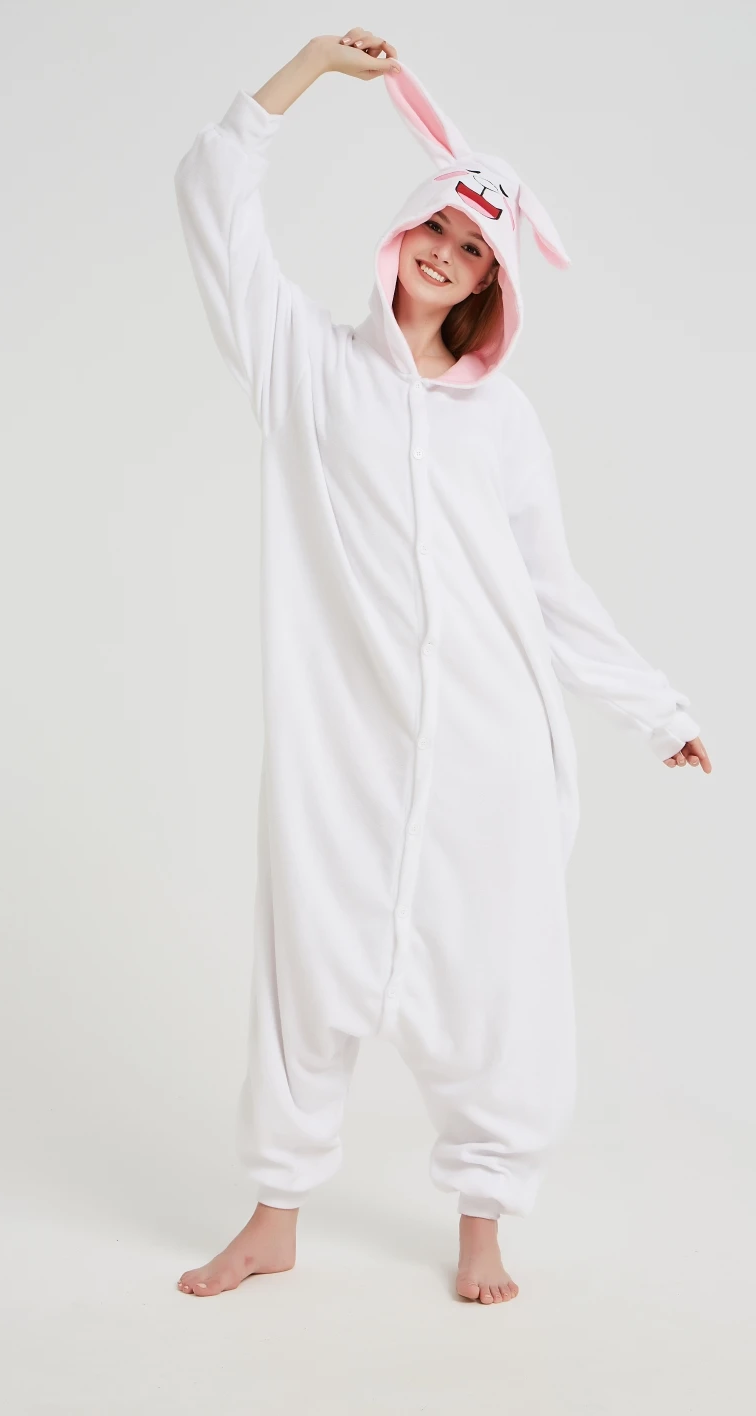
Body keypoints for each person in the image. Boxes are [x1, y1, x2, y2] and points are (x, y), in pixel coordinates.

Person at [172, 27, 712, 1305]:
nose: (445, 254)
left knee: (493, 984)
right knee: (307, 961)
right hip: (343, 744)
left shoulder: (501, 421)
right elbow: (212, 198)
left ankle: (482, 1227)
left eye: (472, 250)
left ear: (489, 283)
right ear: (400, 229)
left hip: (487, 748)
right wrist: (307, 71)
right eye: (436, 227)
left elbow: (549, 587)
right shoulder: (305, 367)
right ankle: (273, 1217)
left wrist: (653, 709)